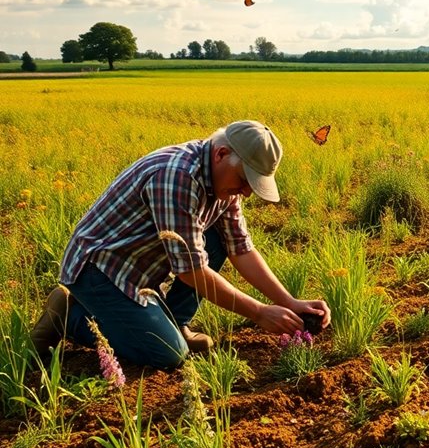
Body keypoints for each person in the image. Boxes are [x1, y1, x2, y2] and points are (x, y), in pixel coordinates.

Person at [30, 120, 330, 369]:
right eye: (244, 179)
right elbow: (191, 271)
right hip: (100, 270)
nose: (247, 192)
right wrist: (259, 312)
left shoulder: (225, 186)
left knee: (217, 239)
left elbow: (240, 248)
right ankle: (70, 315)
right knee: (166, 355)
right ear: (221, 154)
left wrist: (289, 302)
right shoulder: (176, 177)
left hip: (142, 264)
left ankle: (176, 322)